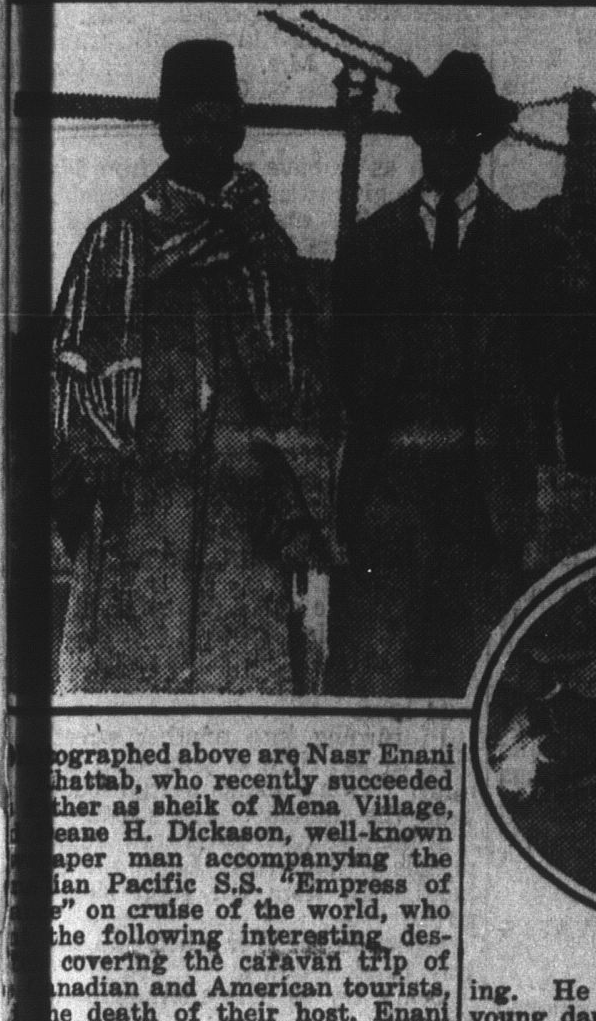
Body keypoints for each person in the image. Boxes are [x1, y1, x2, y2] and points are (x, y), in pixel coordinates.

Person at [48, 36, 326, 694]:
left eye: (217, 118)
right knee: (132, 697)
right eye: (188, 118)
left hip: (242, 529)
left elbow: (306, 386)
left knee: (243, 704)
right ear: (164, 127)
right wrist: (99, 491)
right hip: (143, 524)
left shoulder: (266, 249)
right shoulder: (117, 241)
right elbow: (66, 385)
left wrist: (289, 499)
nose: (203, 134)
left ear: (238, 128)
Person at [331, 50, 562, 694]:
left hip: (485, 510)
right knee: (376, 684)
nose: (451, 141)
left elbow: (541, 380)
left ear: (485, 140)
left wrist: (528, 503)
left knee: (471, 683)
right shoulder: (369, 247)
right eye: (439, 125)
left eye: (468, 128)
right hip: (388, 504)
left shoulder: (527, 251)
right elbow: (344, 373)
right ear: (419, 133)